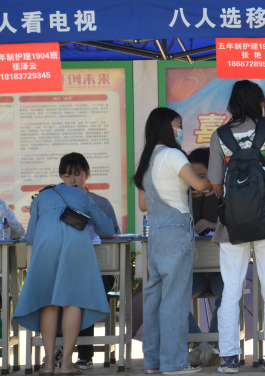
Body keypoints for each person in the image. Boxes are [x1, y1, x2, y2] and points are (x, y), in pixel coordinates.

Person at [208, 80, 265, 373]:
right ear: (259, 102)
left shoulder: (220, 135)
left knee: (231, 288)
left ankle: (230, 357)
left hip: (231, 224)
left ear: (233, 103)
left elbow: (216, 185)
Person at [135, 107, 212, 375]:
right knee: (176, 300)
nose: (180, 130)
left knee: (155, 299)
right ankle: (174, 362)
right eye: (177, 124)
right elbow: (200, 185)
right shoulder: (173, 154)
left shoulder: (147, 160)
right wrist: (211, 182)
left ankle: (153, 360)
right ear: (165, 127)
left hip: (156, 233)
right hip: (176, 231)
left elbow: (143, 205)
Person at [13, 182, 114, 376]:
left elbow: (31, 235)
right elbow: (107, 228)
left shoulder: (41, 198)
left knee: (48, 301)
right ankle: (67, 363)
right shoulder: (83, 195)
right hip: (77, 245)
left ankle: (48, 363)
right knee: (72, 300)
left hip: (46, 246)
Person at [58, 153, 121, 370]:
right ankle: (59, 347)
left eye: (77, 174)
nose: (72, 180)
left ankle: (85, 354)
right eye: (67, 175)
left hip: (100, 271)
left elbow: (114, 235)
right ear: (61, 177)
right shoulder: (56, 203)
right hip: (68, 268)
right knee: (58, 289)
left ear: (87, 174)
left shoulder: (101, 203)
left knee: (83, 292)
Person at [186, 148, 223, 368]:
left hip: (221, 269)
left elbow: (238, 227)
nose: (197, 183)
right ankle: (203, 346)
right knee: (173, 296)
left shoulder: (224, 195)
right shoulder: (185, 197)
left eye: (201, 177)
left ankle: (211, 344)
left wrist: (213, 225)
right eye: (193, 177)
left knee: (227, 295)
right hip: (195, 269)